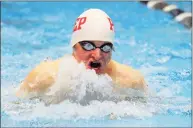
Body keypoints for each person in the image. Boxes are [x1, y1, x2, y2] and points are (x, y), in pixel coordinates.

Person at [16, 9, 148, 99]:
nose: (97, 55)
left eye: (106, 47)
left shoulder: (131, 81)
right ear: (74, 46)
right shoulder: (44, 78)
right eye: (88, 45)